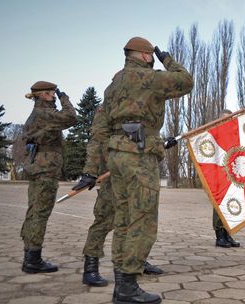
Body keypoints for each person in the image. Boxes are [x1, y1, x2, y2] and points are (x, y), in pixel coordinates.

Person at [75, 36, 193, 303]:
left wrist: (91, 168)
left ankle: (122, 285)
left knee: (124, 220)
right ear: (144, 55)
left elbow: (100, 129)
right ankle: (128, 285)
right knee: (142, 218)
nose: (152, 59)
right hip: (138, 156)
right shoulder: (147, 77)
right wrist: (167, 58)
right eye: (150, 55)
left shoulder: (113, 85)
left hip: (117, 155)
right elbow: (186, 80)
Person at [75, 106, 165, 288]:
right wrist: (90, 171)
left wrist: (160, 146)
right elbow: (97, 140)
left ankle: (137, 261)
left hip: (137, 169)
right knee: (104, 218)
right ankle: (90, 267)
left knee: (137, 218)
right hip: (112, 170)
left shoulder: (141, 107)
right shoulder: (108, 109)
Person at [20, 81, 77, 273]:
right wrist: (64, 97)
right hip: (45, 170)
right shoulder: (44, 114)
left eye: (54, 93)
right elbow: (71, 117)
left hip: (38, 167)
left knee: (34, 211)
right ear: (42, 95)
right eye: (51, 93)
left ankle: (30, 256)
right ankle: (33, 260)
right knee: (40, 213)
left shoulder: (36, 115)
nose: (54, 96)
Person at [212, 109, 240, 248]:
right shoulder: (214, 134)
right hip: (218, 176)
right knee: (219, 206)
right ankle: (219, 236)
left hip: (231, 176)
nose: (229, 121)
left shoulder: (233, 136)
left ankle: (228, 234)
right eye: (226, 119)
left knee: (230, 205)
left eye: (231, 119)